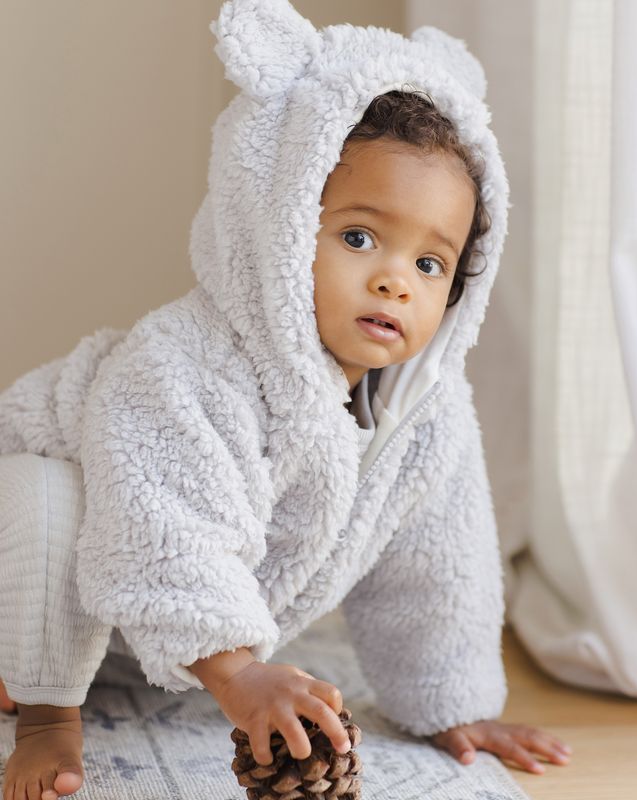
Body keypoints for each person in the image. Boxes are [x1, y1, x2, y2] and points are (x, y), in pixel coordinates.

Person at [0, 1, 572, 798]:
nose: (394, 280)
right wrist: (240, 676)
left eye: (432, 264)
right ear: (275, 221)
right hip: (33, 569)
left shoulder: (423, 413)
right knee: (40, 493)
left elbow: (440, 568)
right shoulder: (183, 361)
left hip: (139, 632)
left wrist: (452, 706)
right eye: (359, 237)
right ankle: (43, 713)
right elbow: (162, 527)